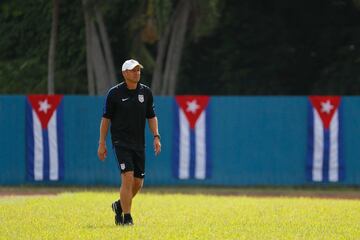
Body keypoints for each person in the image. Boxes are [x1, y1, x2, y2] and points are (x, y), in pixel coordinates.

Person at [97, 59, 161, 226]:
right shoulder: (114, 93)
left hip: (139, 143)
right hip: (121, 142)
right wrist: (102, 143)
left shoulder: (145, 92)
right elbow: (106, 119)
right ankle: (128, 218)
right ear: (124, 73)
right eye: (133, 70)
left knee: (138, 183)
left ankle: (119, 205)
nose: (137, 73)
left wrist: (156, 136)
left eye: (138, 70)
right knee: (127, 177)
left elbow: (151, 117)